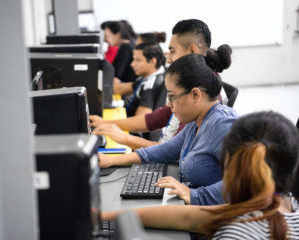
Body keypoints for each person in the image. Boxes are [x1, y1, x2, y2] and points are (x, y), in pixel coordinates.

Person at [102, 111, 299, 239]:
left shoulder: (235, 233)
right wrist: (106, 216)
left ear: (228, 162)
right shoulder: (288, 206)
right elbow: (189, 217)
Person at [99, 51, 239, 206]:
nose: (169, 104)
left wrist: (194, 195)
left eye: (172, 96)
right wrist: (110, 160)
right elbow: (164, 151)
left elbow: (244, 180)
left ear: (195, 95)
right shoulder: (196, 122)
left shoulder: (222, 124)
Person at [91, 19, 220, 149]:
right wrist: (108, 123)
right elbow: (155, 119)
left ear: (193, 51)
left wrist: (123, 138)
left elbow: (175, 153)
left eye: (173, 51)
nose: (169, 59)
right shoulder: (192, 85)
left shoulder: (199, 95)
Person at [112, 41, 166, 118]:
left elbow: (142, 121)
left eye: (138, 60)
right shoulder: (149, 76)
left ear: (152, 62)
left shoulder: (150, 85)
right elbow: (118, 89)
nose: (132, 64)